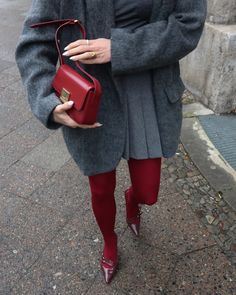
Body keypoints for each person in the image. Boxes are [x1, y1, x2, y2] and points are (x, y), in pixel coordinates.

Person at [15, 0, 207, 284]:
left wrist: (120, 48)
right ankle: (109, 242)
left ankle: (134, 201)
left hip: (148, 85)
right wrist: (46, 100)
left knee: (148, 192)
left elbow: (188, 25)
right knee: (101, 188)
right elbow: (33, 42)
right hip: (93, 96)